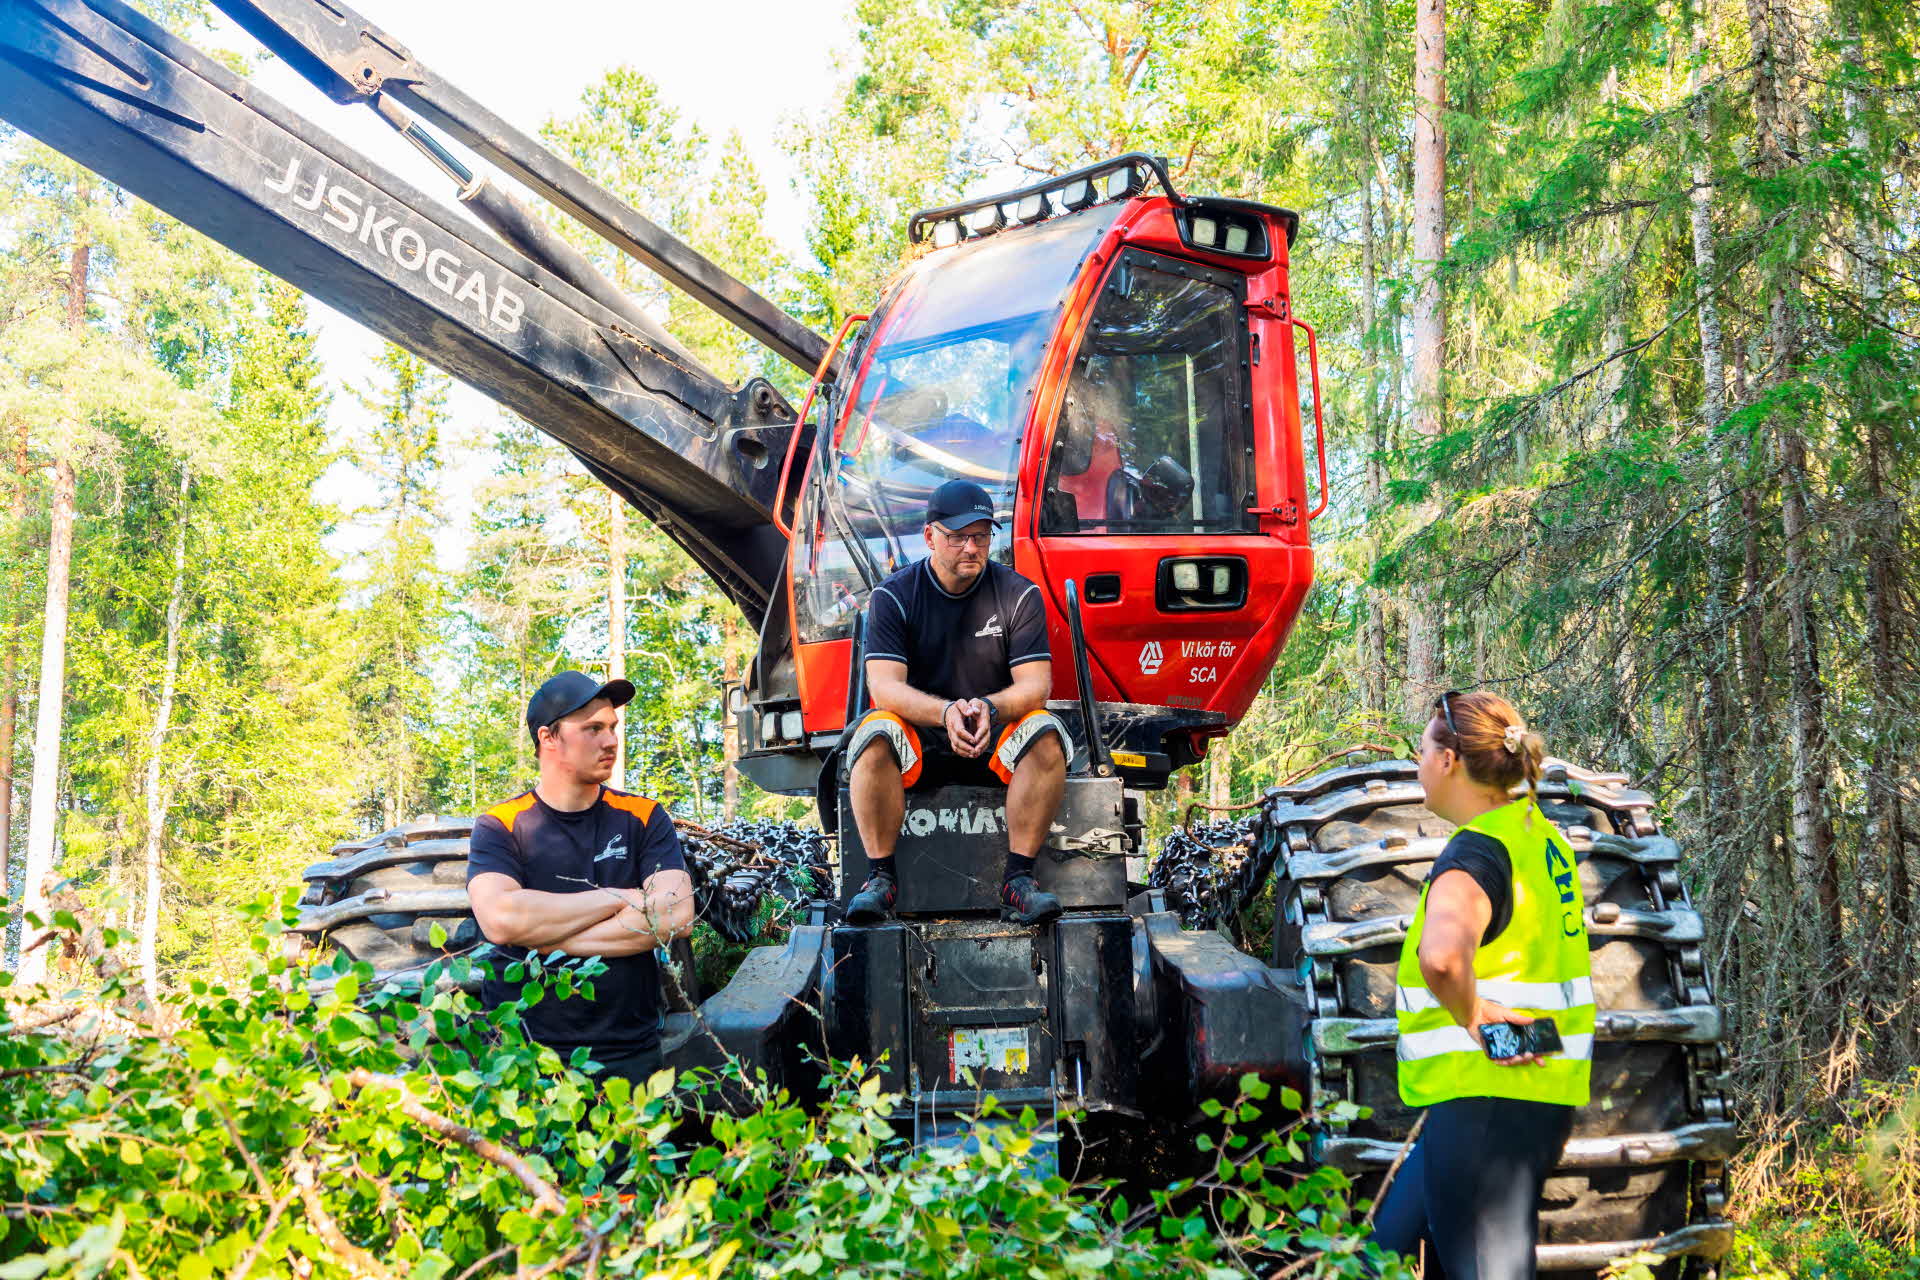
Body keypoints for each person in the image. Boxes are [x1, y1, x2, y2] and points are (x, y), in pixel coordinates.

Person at [1368, 690, 1594, 1280]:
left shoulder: (1476, 852)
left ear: (1448, 762)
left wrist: (1471, 1015)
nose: (1417, 764)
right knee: (1381, 1255)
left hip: (1487, 1093)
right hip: (1531, 1085)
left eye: (1420, 751)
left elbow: (1442, 957)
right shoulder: (1539, 838)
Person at [843, 479, 1071, 926]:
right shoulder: (893, 596)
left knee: (1045, 731)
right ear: (930, 536)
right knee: (872, 733)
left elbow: (1035, 686)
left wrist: (987, 709)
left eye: (982, 536)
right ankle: (880, 880)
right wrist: (944, 712)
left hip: (995, 742)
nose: (972, 547)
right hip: (920, 746)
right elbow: (885, 688)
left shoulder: (1018, 594)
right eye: (958, 536)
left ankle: (1018, 881)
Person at [467, 671, 697, 1087]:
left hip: (629, 1055)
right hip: (523, 1057)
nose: (610, 741)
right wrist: (618, 896)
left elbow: (674, 915)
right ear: (549, 738)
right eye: (592, 729)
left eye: (612, 728)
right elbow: (501, 918)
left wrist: (540, 940)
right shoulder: (500, 825)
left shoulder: (643, 817)